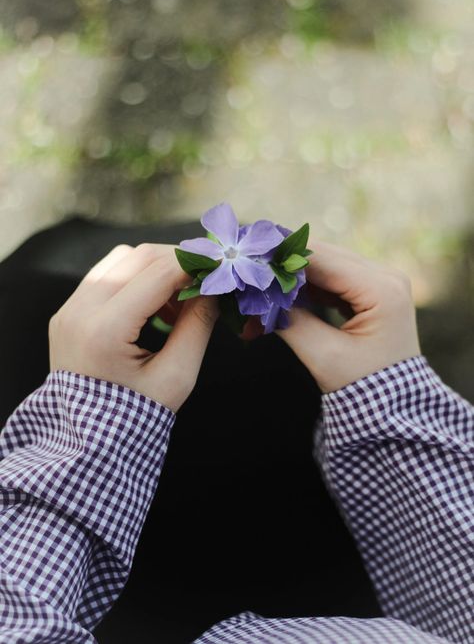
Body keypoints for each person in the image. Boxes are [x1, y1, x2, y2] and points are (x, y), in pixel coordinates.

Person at [0, 240, 472, 643]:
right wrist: (393, 403)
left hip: (148, 593)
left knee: (29, 299)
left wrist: (89, 429)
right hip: (339, 571)